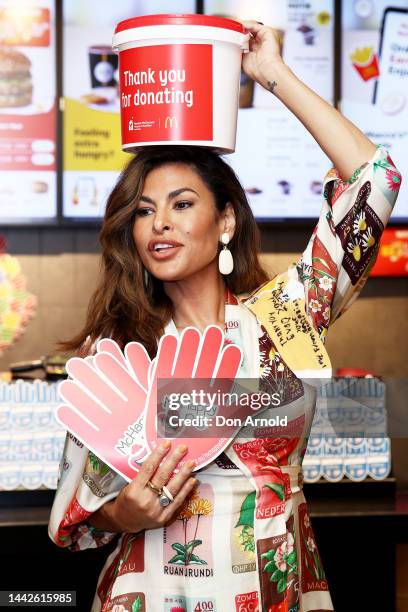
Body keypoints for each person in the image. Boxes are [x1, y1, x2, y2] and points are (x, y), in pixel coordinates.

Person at [49, 21, 402, 612]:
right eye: (143, 212)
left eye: (182, 204)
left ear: (227, 222)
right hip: (153, 589)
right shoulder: (119, 350)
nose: (159, 223)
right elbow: (72, 520)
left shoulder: (286, 316)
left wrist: (274, 76)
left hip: (274, 588)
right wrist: (124, 512)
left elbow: (376, 179)